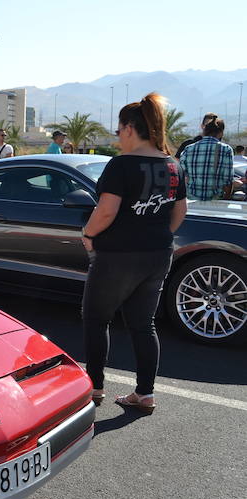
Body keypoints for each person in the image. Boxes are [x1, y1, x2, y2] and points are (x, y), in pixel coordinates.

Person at [81, 93, 188, 415]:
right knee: (144, 325)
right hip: (158, 253)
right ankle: (145, 394)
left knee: (96, 319)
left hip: (117, 255)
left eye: (117, 130)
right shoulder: (173, 165)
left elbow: (106, 212)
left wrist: (88, 235)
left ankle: (95, 388)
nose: (118, 137)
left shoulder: (121, 165)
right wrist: (157, 235)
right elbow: (180, 211)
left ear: (129, 128)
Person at [179, 117, 234, 201]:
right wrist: (226, 200)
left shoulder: (188, 149)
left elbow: (182, 176)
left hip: (191, 201)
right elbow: (228, 180)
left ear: (204, 131)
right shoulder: (226, 149)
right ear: (221, 133)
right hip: (215, 202)